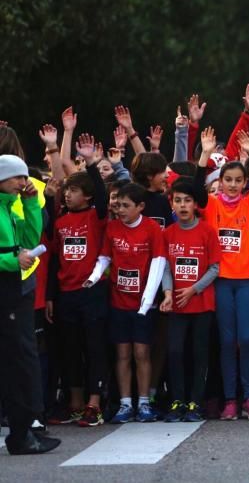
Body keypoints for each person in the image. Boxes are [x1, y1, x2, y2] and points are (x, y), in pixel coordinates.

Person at [198, 127, 249, 421]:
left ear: (244, 183)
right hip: (222, 282)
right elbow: (193, 187)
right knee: (227, 342)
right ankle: (230, 400)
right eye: (227, 179)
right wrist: (204, 155)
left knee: (248, 339)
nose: (232, 185)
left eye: (238, 180)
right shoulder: (211, 204)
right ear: (219, 181)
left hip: (247, 282)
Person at [85, 182, 166, 424]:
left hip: (143, 303)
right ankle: (125, 403)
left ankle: (143, 402)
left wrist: (147, 301)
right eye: (118, 205)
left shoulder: (152, 229)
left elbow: (158, 263)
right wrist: (93, 276)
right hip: (118, 300)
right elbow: (105, 257)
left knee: (141, 352)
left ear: (140, 207)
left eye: (126, 206)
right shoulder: (112, 228)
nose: (120, 210)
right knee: (122, 353)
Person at [47, 134, 109, 428]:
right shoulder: (59, 221)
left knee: (94, 347)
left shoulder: (97, 218)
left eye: (74, 191)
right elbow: (55, 261)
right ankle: (74, 402)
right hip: (65, 294)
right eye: (66, 191)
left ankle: (94, 405)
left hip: (92, 293)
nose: (68, 195)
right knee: (69, 348)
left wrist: (93, 165)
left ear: (87, 196)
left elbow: (103, 194)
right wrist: (50, 296)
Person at [0, 155, 60, 455]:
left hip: (18, 288)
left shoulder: (11, 206)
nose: (25, 183)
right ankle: (21, 434)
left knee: (23, 358)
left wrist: (32, 204)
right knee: (18, 359)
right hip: (6, 289)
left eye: (26, 177)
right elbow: (10, 253)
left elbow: (29, 237)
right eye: (18, 178)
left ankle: (24, 431)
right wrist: (13, 260)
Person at [160, 178, 221, 423]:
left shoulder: (207, 231)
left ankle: (196, 401)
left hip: (201, 304)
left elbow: (215, 268)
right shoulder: (168, 233)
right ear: (171, 204)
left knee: (199, 353)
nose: (182, 206)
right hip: (175, 306)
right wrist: (168, 293)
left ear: (196, 204)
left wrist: (193, 289)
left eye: (187, 201)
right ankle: (177, 400)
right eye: (178, 201)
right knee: (174, 352)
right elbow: (165, 267)